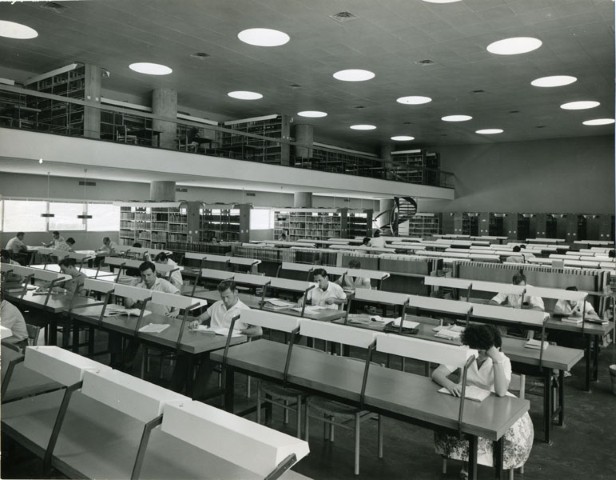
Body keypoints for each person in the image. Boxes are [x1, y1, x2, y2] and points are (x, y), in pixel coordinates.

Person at [432, 324, 534, 476]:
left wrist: (496, 359)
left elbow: (500, 392)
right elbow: (437, 373)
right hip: (469, 401)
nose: (478, 354)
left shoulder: (503, 361)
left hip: (494, 406)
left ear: (493, 348)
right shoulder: (467, 353)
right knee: (458, 423)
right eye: (476, 349)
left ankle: (494, 463)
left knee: (504, 431)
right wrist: (451, 384)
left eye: (482, 350)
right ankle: (466, 462)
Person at [171, 281, 261, 394]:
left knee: (207, 361)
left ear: (236, 292)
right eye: (223, 297)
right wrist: (196, 321)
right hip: (209, 341)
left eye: (228, 296)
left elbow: (258, 331)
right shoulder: (217, 305)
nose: (225, 300)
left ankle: (194, 396)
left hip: (229, 346)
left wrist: (239, 331)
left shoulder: (245, 310)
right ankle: (173, 391)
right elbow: (201, 317)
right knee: (185, 354)